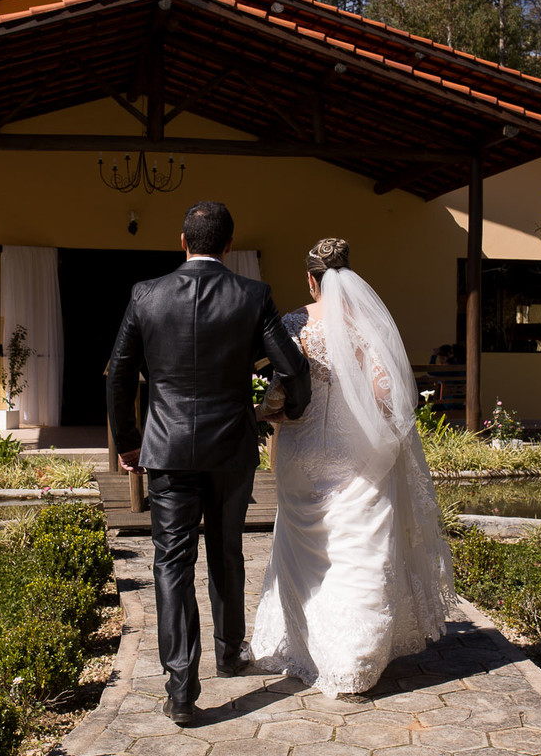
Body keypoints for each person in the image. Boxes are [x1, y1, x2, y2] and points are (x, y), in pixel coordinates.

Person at [106, 201, 311, 727]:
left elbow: (119, 375)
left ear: (182, 241)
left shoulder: (146, 294)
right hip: (230, 446)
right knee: (227, 547)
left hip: (167, 450)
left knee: (171, 561)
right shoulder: (252, 295)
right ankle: (229, 651)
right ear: (227, 245)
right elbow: (291, 367)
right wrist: (292, 408)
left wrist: (129, 443)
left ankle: (180, 688)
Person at [248, 238, 455, 698]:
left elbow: (282, 391)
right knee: (359, 549)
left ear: (310, 279)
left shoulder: (293, 322)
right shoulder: (366, 324)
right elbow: (387, 393)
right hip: (356, 453)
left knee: (304, 549)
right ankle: (355, 659)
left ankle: (303, 646)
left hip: (302, 450)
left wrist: (266, 413)